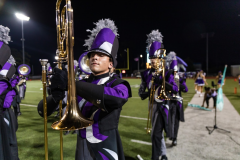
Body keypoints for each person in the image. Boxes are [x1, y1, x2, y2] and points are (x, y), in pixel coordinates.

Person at [38, 19, 132, 160]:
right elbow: (42, 111)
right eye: (92, 55)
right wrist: (56, 95)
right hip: (82, 146)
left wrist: (71, 84)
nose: (94, 57)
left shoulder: (118, 84)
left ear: (111, 63)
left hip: (106, 145)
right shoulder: (81, 84)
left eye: (101, 55)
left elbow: (117, 99)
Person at [139, 30, 178, 160]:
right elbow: (142, 89)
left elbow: (175, 88)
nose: (152, 61)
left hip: (164, 106)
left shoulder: (168, 72)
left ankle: (158, 156)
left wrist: (162, 82)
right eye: (151, 58)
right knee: (156, 134)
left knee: (157, 134)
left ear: (161, 57)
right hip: (153, 106)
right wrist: (143, 93)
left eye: (155, 58)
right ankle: (163, 154)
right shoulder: (146, 73)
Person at [0, 25, 19, 160]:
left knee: (8, 146)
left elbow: (6, 101)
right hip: (5, 112)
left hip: (4, 112)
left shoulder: (7, 67)